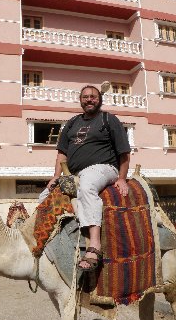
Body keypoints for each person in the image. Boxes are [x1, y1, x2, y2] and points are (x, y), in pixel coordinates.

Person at [43, 85, 131, 271]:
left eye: (93, 96)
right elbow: (62, 153)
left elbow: (124, 152)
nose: (89, 99)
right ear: (80, 100)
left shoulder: (109, 119)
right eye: (85, 97)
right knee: (44, 195)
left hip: (104, 168)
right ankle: (45, 245)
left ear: (99, 99)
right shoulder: (72, 123)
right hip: (73, 173)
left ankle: (94, 246)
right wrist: (56, 177)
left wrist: (122, 178)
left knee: (87, 185)